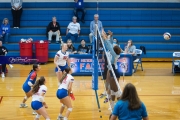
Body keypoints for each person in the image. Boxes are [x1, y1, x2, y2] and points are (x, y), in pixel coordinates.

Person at [102, 30, 122, 110]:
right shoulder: (113, 52)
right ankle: (113, 106)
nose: (112, 47)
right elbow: (110, 45)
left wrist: (105, 38)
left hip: (115, 73)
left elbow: (110, 46)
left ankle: (120, 105)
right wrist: (110, 36)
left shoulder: (115, 54)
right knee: (112, 90)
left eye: (113, 48)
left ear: (115, 50)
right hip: (111, 71)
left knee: (116, 91)